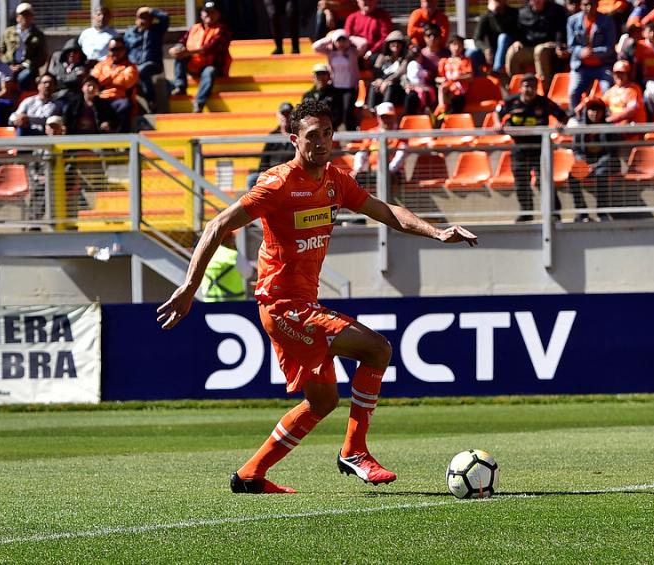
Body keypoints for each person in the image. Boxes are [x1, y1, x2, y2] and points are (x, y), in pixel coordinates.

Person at [157, 99, 477, 494]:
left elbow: (388, 212)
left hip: (304, 305)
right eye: (312, 135)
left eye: (327, 134)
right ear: (294, 139)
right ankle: (355, 451)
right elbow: (218, 224)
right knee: (377, 349)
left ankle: (250, 476)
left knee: (323, 401)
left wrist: (438, 231)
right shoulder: (278, 183)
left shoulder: (336, 180)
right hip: (282, 306)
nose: (322, 142)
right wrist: (190, 287)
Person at [493, 72, 568, 222]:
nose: (529, 89)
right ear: (520, 88)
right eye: (526, 86)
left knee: (544, 181)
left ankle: (554, 212)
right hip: (519, 149)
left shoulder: (544, 103)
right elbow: (496, 112)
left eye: (533, 86)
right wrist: (497, 123)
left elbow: (564, 116)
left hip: (541, 149)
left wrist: (561, 123)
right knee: (521, 182)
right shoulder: (510, 102)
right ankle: (526, 212)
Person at [169, 0, 232, 113]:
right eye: (207, 12)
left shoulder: (222, 30)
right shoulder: (195, 28)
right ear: (201, 14)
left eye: (213, 12)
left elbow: (209, 48)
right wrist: (175, 49)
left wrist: (187, 52)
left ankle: (199, 103)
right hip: (195, 64)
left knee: (209, 71)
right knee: (179, 56)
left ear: (218, 14)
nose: (209, 15)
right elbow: (182, 42)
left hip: (213, 66)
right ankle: (180, 86)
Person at [569, 97, 619, 222]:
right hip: (586, 163)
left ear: (603, 112)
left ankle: (602, 212)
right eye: (591, 109)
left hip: (606, 164)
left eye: (598, 110)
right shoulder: (580, 129)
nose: (595, 113)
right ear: (586, 111)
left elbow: (611, 153)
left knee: (601, 174)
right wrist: (584, 164)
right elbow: (576, 150)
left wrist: (595, 166)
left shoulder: (610, 128)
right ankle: (582, 212)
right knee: (572, 176)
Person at [505, 0, 568, 93]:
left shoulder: (556, 10)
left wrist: (558, 45)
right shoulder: (522, 12)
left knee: (540, 50)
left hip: (549, 47)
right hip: (529, 47)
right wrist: (516, 41)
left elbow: (561, 31)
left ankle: (544, 89)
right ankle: (518, 87)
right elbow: (516, 31)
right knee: (513, 52)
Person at [311, 28, 367, 131]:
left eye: (343, 40)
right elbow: (315, 47)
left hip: (349, 88)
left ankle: (351, 134)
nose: (341, 43)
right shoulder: (330, 52)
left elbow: (364, 43)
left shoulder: (353, 52)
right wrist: (331, 38)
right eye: (339, 40)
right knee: (336, 112)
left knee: (347, 111)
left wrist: (349, 38)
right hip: (335, 87)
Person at [566, 0, 616, 111]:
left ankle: (607, 119)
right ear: (580, 5)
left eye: (591, 4)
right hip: (581, 67)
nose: (588, 7)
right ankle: (575, 119)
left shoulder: (607, 21)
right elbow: (571, 46)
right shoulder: (572, 21)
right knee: (573, 92)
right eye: (585, 4)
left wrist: (593, 52)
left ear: (596, 5)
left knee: (607, 90)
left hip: (603, 66)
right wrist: (581, 52)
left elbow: (610, 47)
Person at [124, 6, 170, 111]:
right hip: (133, 65)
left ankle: (151, 100)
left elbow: (165, 18)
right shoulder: (130, 33)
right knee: (135, 73)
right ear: (136, 19)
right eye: (141, 17)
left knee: (142, 70)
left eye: (147, 18)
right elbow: (124, 49)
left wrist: (150, 10)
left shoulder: (156, 30)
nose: (144, 20)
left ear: (151, 20)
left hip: (152, 64)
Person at [351, 101, 407, 186]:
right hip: (374, 172)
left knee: (388, 178)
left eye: (389, 117)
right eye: (383, 117)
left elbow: (400, 156)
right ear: (378, 118)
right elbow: (361, 152)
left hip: (393, 173)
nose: (386, 120)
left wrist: (388, 170)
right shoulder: (372, 133)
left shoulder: (401, 135)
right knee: (355, 178)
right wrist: (358, 169)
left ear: (394, 117)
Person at [91, 36, 139, 133]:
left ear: (125, 50)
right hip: (101, 98)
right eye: (113, 49)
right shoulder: (101, 65)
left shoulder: (131, 67)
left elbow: (127, 82)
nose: (116, 52)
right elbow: (94, 81)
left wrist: (106, 78)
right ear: (108, 51)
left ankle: (122, 139)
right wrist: (115, 76)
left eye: (119, 49)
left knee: (125, 105)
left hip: (119, 99)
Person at [245, 101, 296, 189]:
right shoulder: (272, 135)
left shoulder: (297, 135)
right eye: (283, 114)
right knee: (252, 179)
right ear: (278, 115)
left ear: (293, 116)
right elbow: (264, 158)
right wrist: (262, 172)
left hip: (291, 173)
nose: (285, 117)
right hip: (272, 174)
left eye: (288, 114)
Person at [0, 2, 47, 92]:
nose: (25, 18)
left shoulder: (38, 35)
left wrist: (23, 65)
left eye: (28, 15)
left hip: (28, 67)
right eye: (23, 15)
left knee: (23, 77)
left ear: (32, 17)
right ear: (17, 17)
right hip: (9, 65)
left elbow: (42, 56)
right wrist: (8, 65)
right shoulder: (8, 32)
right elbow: (1, 51)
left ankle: (21, 97)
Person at [471, 0, 519, 78]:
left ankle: (496, 71)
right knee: (471, 54)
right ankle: (478, 80)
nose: (498, 2)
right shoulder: (487, 15)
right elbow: (477, 39)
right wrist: (486, 49)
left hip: (509, 50)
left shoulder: (514, 13)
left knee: (503, 37)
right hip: (492, 51)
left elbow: (504, 31)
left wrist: (495, 14)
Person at [200, 230, 251, 301]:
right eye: (233, 238)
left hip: (209, 302)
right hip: (234, 304)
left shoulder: (206, 255)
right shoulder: (234, 255)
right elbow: (248, 273)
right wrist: (236, 249)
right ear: (229, 239)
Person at [344, 0, 393, 65]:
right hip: (355, 52)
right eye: (364, 0)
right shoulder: (352, 17)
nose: (368, 2)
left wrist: (371, 51)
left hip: (375, 52)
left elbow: (385, 37)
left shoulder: (382, 16)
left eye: (370, 0)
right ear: (358, 1)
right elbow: (347, 37)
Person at [366, 29, 407, 108]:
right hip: (381, 84)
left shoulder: (404, 60)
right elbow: (376, 71)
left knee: (389, 86)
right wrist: (379, 81)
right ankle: (370, 110)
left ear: (403, 45)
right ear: (388, 44)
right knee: (373, 85)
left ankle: (386, 111)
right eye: (393, 42)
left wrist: (386, 81)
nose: (396, 44)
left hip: (396, 87)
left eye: (399, 42)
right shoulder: (381, 57)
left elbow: (398, 74)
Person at [436, 35, 473, 116]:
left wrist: (458, 78)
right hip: (447, 90)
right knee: (442, 89)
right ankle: (442, 109)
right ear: (449, 46)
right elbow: (437, 78)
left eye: (459, 45)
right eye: (454, 45)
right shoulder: (444, 61)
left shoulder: (465, 60)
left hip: (459, 94)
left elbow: (470, 77)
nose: (456, 48)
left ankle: (443, 111)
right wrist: (442, 80)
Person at [602, 60, 646, 124]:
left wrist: (609, 120)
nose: (619, 76)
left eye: (622, 73)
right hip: (614, 127)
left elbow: (631, 111)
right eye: (617, 73)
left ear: (627, 74)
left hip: (632, 128)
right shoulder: (610, 92)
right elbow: (600, 104)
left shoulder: (634, 89)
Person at [302, 63, 342, 128]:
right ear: (314, 77)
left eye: (323, 74)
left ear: (328, 76)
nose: (321, 77)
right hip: (311, 130)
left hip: (331, 130)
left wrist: (328, 127)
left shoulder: (336, 94)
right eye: (318, 74)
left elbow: (339, 115)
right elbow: (303, 115)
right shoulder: (307, 96)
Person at [49, 38, 88, 103]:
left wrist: (59, 77)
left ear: (80, 54)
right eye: (69, 51)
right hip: (55, 97)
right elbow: (50, 76)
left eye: (75, 52)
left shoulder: (82, 67)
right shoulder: (58, 65)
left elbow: (72, 80)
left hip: (72, 99)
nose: (72, 54)